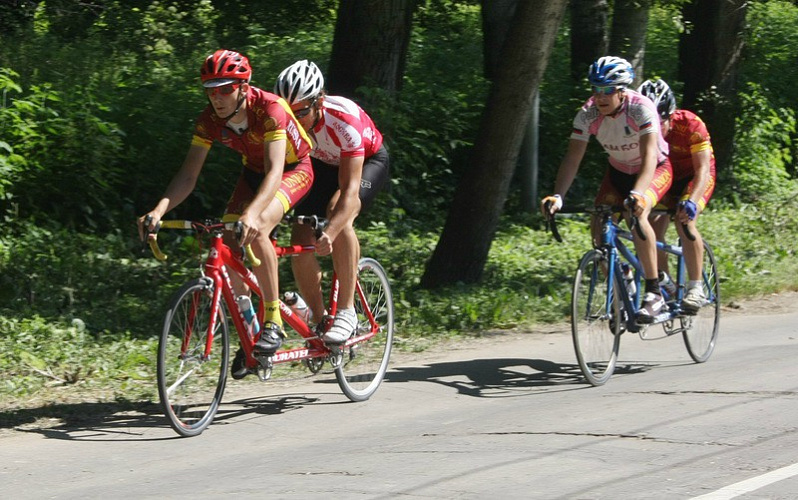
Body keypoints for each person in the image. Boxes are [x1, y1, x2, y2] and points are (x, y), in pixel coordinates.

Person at [137, 49, 315, 359]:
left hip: (292, 169)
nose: (216, 98)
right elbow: (188, 176)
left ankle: (273, 321)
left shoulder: (271, 109)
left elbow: (275, 172)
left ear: (243, 88)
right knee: (230, 242)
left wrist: (252, 214)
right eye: (210, 90)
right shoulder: (208, 120)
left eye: (225, 89)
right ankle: (249, 329)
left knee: (257, 228)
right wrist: (158, 210)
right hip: (253, 172)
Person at [541, 56, 673, 323]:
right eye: (596, 89)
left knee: (638, 215)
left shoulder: (641, 108)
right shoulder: (587, 114)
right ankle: (623, 281)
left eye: (607, 90)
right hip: (618, 172)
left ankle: (654, 292)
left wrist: (638, 194)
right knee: (599, 223)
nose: (600, 96)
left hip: (654, 168)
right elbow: (573, 158)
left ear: (622, 90)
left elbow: (649, 156)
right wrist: (558, 196)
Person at [273, 60, 390, 343]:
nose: (294, 120)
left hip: (367, 161)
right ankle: (319, 319)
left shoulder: (343, 119)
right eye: (288, 112)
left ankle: (347, 312)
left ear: (319, 101)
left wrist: (332, 231)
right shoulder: (283, 121)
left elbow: (349, 192)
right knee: (300, 237)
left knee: (338, 212)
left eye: (301, 112)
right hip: (323, 165)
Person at [638, 78, 716, 313]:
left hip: (694, 177)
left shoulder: (691, 124)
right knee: (650, 227)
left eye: (660, 123)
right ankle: (666, 285)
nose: (655, 129)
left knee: (684, 222)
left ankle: (696, 288)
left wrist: (691, 201)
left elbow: (703, 169)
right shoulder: (637, 126)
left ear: (671, 116)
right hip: (664, 176)